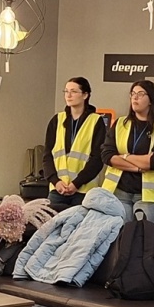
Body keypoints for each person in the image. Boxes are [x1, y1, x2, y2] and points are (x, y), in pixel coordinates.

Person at [100, 80, 154, 226]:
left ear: (151, 100)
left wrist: (125, 156)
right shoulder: (120, 124)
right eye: (132, 94)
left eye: (140, 94)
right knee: (120, 235)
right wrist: (137, 167)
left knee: (143, 236)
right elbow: (107, 155)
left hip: (147, 197)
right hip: (119, 192)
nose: (135, 97)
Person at [42, 76, 106, 211]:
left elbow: (97, 158)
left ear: (85, 95)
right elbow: (47, 155)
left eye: (73, 91)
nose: (68, 95)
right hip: (58, 188)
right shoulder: (57, 119)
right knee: (51, 220)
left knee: (78, 222)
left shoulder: (96, 121)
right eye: (66, 91)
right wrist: (55, 181)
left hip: (83, 189)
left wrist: (76, 183)